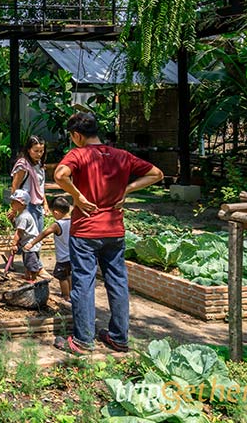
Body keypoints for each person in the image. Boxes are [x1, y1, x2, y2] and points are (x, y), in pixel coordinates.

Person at [53, 112, 163, 355]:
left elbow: (60, 175)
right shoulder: (121, 155)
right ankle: (119, 338)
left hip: (85, 231)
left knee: (83, 283)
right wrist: (127, 190)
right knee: (118, 283)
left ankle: (83, 340)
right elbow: (157, 173)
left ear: (77, 135)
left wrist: (77, 196)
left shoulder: (78, 154)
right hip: (114, 231)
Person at [23, 196, 72, 297]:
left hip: (63, 258)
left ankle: (65, 296)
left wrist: (32, 243)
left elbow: (44, 233)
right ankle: (71, 294)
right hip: (72, 256)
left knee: (62, 277)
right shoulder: (73, 221)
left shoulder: (57, 225)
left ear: (56, 212)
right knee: (69, 275)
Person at [10, 135, 49, 235]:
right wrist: (14, 209)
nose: (39, 154)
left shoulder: (39, 164)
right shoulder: (23, 166)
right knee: (29, 237)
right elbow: (15, 187)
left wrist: (45, 203)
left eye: (41, 151)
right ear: (28, 150)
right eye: (35, 151)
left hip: (37, 205)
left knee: (37, 236)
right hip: (26, 205)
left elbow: (40, 186)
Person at [7, 189, 43, 281]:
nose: (11, 204)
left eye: (14, 202)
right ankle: (27, 276)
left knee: (31, 264)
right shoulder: (21, 215)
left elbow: (19, 232)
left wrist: (14, 244)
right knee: (27, 261)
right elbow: (18, 227)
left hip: (30, 244)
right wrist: (12, 220)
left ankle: (33, 279)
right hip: (26, 243)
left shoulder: (24, 216)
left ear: (22, 204)